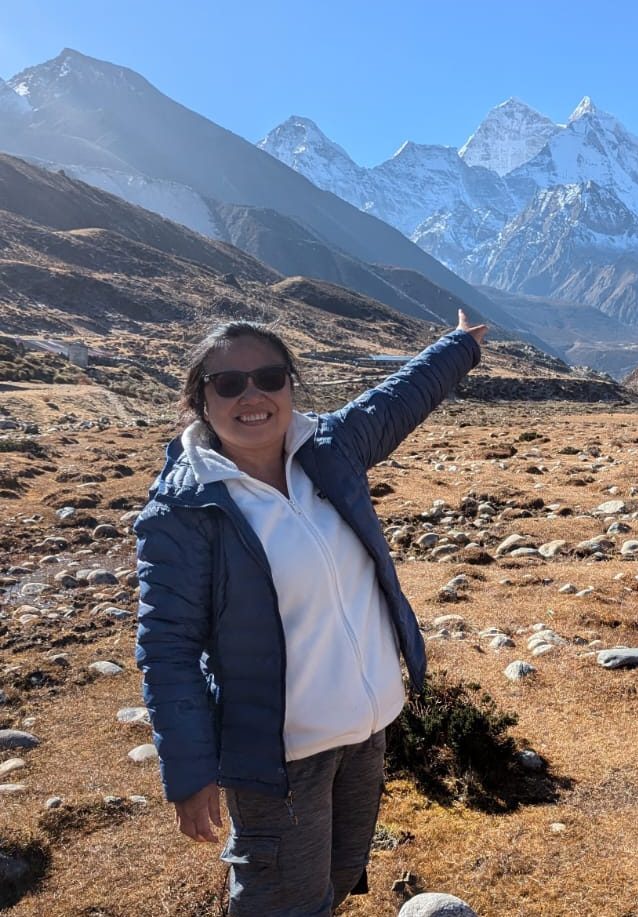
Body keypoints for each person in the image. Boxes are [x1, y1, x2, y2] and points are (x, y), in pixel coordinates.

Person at [134, 311, 487, 916]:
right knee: (282, 902)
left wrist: (457, 348)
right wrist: (190, 773)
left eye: (269, 378)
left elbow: (398, 399)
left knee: (341, 874)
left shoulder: (329, 452)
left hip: (366, 730)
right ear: (201, 401)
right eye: (228, 384)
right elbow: (167, 648)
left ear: (290, 387)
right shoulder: (184, 513)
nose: (252, 396)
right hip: (281, 755)